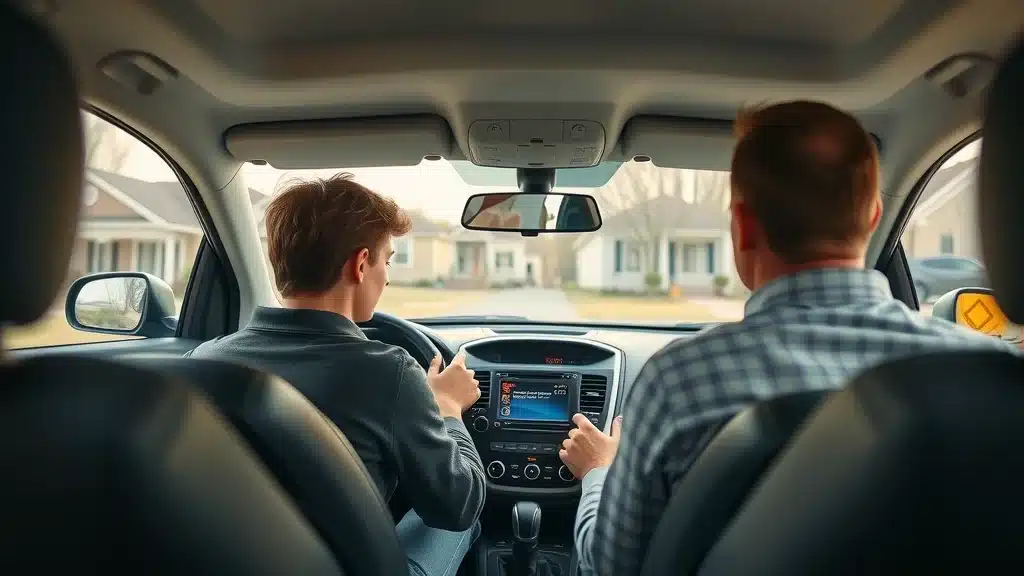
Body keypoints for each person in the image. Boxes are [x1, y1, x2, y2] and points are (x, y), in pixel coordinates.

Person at [558, 101, 1020, 575]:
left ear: (743, 224)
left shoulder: (679, 381)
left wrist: (598, 473)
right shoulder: (988, 380)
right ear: (874, 214)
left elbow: (610, 568)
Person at [186, 173, 485, 576]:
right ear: (361, 264)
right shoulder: (389, 373)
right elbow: (458, 505)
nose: (388, 276)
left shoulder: (205, 360)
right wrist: (448, 408)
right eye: (388, 259)